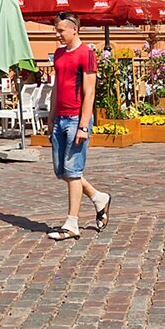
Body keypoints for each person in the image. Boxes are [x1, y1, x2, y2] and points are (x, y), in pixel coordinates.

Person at [45, 15, 110, 241]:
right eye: (56, 30)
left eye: (61, 30)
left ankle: (72, 223)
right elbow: (56, 87)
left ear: (74, 30)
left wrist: (83, 125)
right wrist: (51, 116)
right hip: (60, 118)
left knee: (73, 172)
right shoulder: (60, 54)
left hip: (76, 120)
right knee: (61, 171)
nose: (57, 34)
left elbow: (89, 92)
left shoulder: (86, 54)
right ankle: (98, 198)